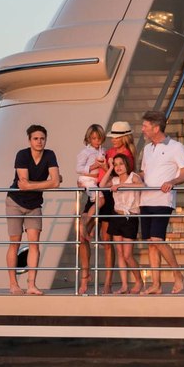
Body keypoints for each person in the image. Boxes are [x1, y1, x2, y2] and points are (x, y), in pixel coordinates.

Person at [5, 124, 60, 295]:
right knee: (15, 243)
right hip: (15, 202)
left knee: (34, 244)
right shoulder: (22, 155)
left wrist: (34, 185)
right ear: (29, 140)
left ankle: (31, 285)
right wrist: (48, 183)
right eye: (35, 138)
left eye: (42, 138)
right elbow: (23, 184)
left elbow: (55, 182)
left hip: (35, 204)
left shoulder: (50, 155)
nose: (39, 141)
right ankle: (13, 284)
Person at [139, 110, 184, 295]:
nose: (142, 129)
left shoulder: (176, 147)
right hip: (145, 199)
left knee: (157, 239)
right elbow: (145, 173)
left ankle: (178, 275)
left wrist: (172, 182)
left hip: (163, 200)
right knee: (151, 243)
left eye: (145, 126)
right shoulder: (146, 149)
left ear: (156, 127)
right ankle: (156, 285)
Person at [86, 121, 138, 294]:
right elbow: (103, 175)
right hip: (104, 189)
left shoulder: (127, 156)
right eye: (112, 137)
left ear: (124, 137)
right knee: (88, 234)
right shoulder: (109, 152)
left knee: (114, 245)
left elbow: (125, 175)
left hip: (114, 198)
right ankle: (86, 276)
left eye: (116, 137)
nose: (113, 140)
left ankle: (111, 282)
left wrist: (106, 167)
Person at [101, 154, 144, 295]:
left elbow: (142, 185)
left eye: (121, 164)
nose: (118, 167)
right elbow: (101, 185)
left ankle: (139, 280)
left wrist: (121, 185)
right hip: (116, 216)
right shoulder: (114, 179)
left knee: (127, 255)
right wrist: (110, 168)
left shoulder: (133, 176)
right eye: (116, 164)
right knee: (119, 253)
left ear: (127, 164)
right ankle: (124, 285)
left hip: (129, 217)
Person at [75, 124, 106, 295]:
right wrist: (93, 169)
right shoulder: (85, 152)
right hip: (91, 185)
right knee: (82, 238)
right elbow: (79, 169)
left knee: (100, 202)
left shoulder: (104, 151)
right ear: (88, 139)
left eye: (98, 138)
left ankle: (84, 222)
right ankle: (85, 278)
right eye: (93, 138)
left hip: (102, 189)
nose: (96, 141)